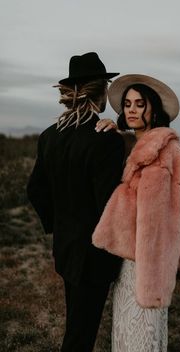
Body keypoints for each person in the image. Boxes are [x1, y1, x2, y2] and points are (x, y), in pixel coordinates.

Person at [92, 74, 180, 351]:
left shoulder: (165, 152)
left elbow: (161, 223)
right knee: (129, 335)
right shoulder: (136, 146)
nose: (132, 110)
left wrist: (153, 278)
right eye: (127, 104)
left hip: (148, 265)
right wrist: (113, 133)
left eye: (140, 104)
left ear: (154, 109)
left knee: (142, 338)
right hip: (128, 263)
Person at [27, 52, 125, 352]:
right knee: (80, 338)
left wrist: (59, 225)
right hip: (94, 256)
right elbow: (109, 203)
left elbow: (35, 190)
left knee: (76, 326)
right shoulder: (105, 140)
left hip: (66, 247)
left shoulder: (49, 136)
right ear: (101, 93)